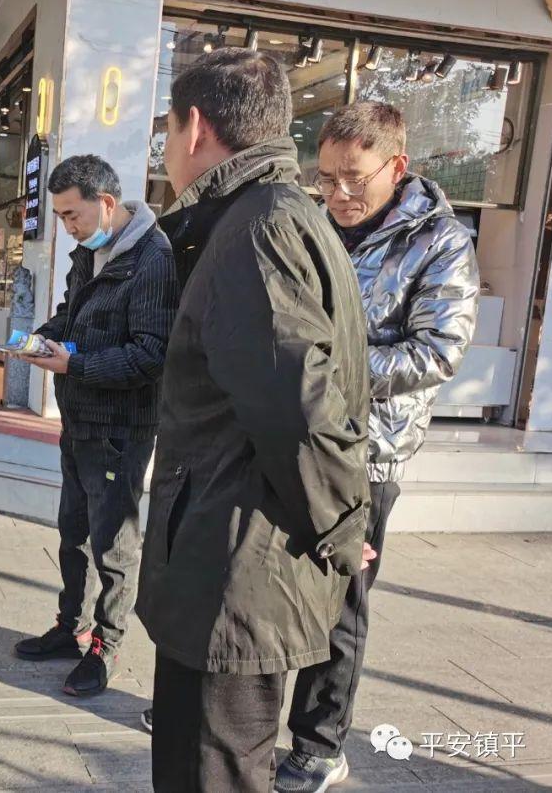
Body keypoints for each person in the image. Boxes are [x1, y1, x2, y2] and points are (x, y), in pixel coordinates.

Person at [134, 48, 373, 792]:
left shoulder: (257, 230)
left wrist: (344, 529)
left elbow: (296, 409)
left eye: (165, 131)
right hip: (232, 558)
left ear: (196, 127)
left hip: (237, 572)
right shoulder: (264, 219)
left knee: (212, 772)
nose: (166, 150)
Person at [275, 101, 479, 792]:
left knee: (340, 604)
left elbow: (439, 350)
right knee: (270, 585)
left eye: (354, 179)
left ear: (398, 165)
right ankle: (240, 714)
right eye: (326, 178)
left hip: (367, 454)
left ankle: (319, 744)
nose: (338, 194)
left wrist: (330, 376)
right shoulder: (311, 225)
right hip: (289, 437)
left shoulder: (440, 242)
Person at [12, 155, 176, 696]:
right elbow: (71, 313)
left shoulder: (154, 260)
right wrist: (41, 338)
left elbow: (152, 356)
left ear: (106, 204)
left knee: (113, 545)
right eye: (58, 216)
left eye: (72, 215)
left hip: (121, 430)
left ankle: (106, 645)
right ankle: (71, 627)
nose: (67, 227)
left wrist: (75, 363)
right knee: (72, 534)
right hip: (78, 417)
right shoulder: (90, 251)